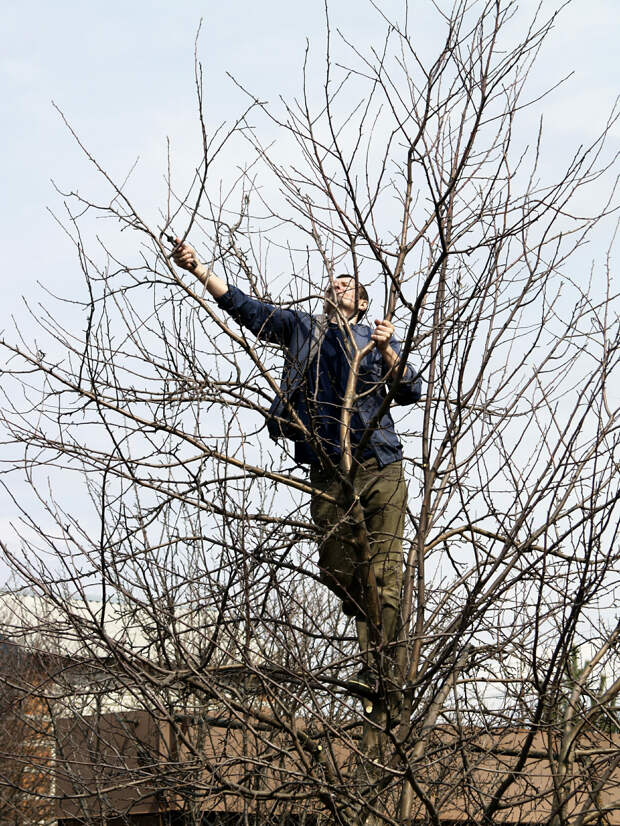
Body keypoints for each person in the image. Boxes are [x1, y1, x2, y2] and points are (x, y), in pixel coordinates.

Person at [172, 240, 422, 696]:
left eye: (349, 283)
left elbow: (408, 391)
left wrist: (387, 352)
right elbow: (246, 308)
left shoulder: (376, 339)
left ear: (362, 302)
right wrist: (199, 269)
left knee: (386, 575)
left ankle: (385, 676)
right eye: (334, 281)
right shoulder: (301, 329)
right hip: (327, 470)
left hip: (379, 465)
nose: (338, 284)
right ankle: (375, 643)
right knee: (335, 567)